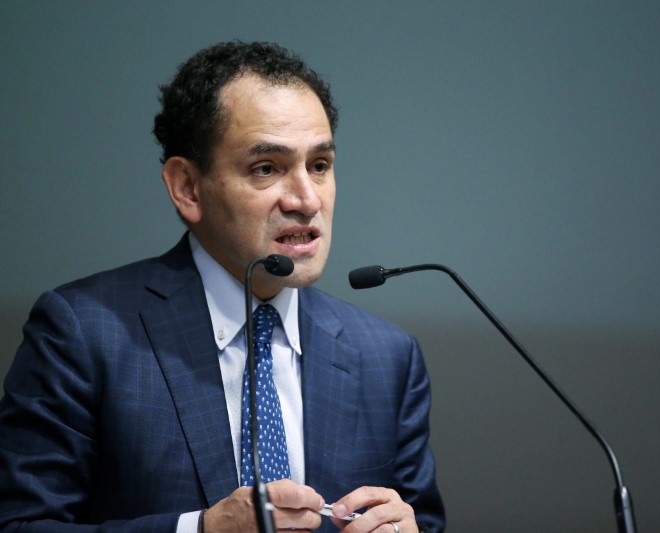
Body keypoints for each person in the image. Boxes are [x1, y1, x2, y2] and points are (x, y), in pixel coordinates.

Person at [0, 41, 445, 533]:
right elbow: (20, 524)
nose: (306, 199)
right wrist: (201, 530)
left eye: (319, 165)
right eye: (267, 168)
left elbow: (423, 521)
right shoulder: (84, 333)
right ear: (187, 187)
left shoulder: (387, 357)